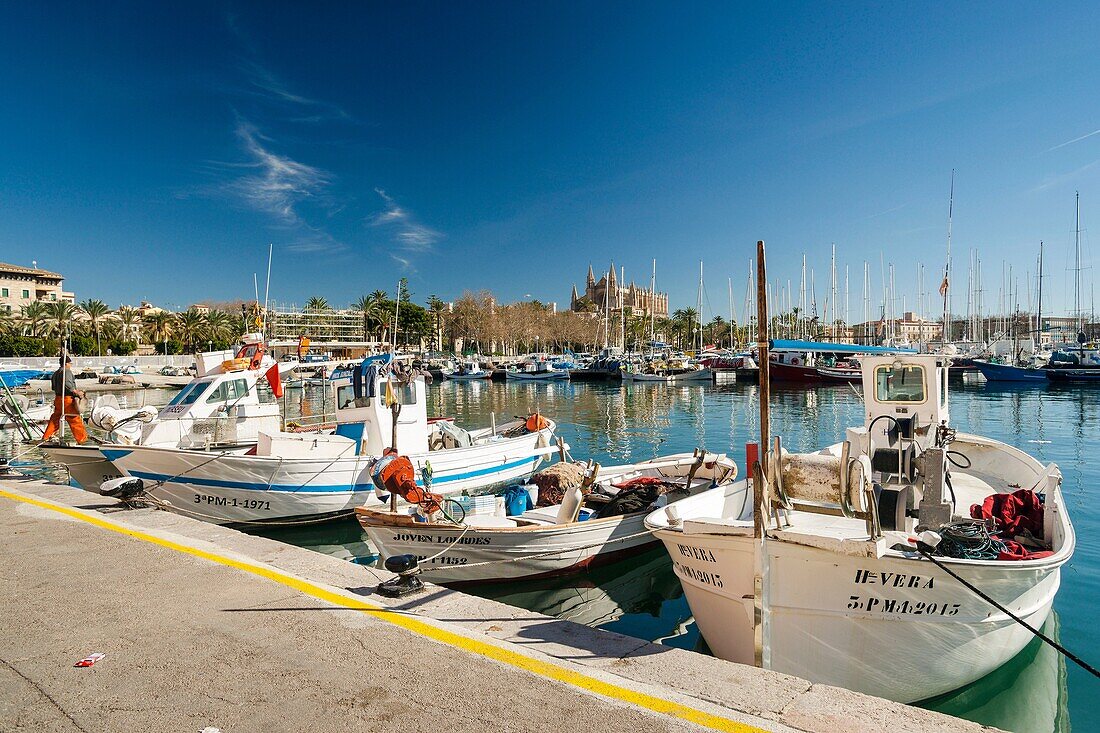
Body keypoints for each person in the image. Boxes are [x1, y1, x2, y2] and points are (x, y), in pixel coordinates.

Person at [42, 354, 87, 443]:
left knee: (55, 419)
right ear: (66, 363)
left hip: (58, 399)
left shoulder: (55, 373)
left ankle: (46, 437)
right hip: (67, 399)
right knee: (74, 419)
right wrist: (75, 391)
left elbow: (53, 387)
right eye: (70, 363)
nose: (70, 365)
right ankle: (82, 440)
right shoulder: (67, 371)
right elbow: (67, 384)